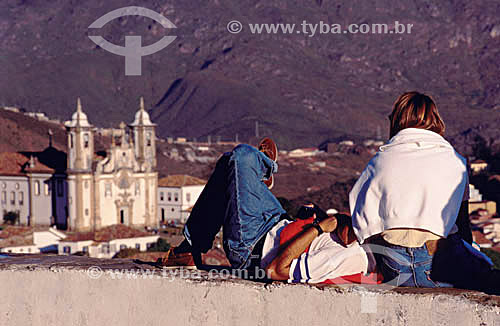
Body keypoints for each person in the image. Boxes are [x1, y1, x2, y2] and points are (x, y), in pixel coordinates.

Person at [157, 139, 373, 283]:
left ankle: (263, 169)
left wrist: (318, 228)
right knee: (228, 165)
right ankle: (188, 250)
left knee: (241, 157)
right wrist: (318, 217)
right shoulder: (359, 241)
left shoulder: (351, 259)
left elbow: (275, 270)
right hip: (277, 220)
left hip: (252, 245)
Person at [349, 91, 500, 293]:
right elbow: (462, 225)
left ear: (396, 119)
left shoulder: (379, 161)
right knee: (488, 273)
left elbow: (362, 223)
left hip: (393, 264)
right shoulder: (454, 161)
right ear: (436, 119)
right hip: (438, 260)